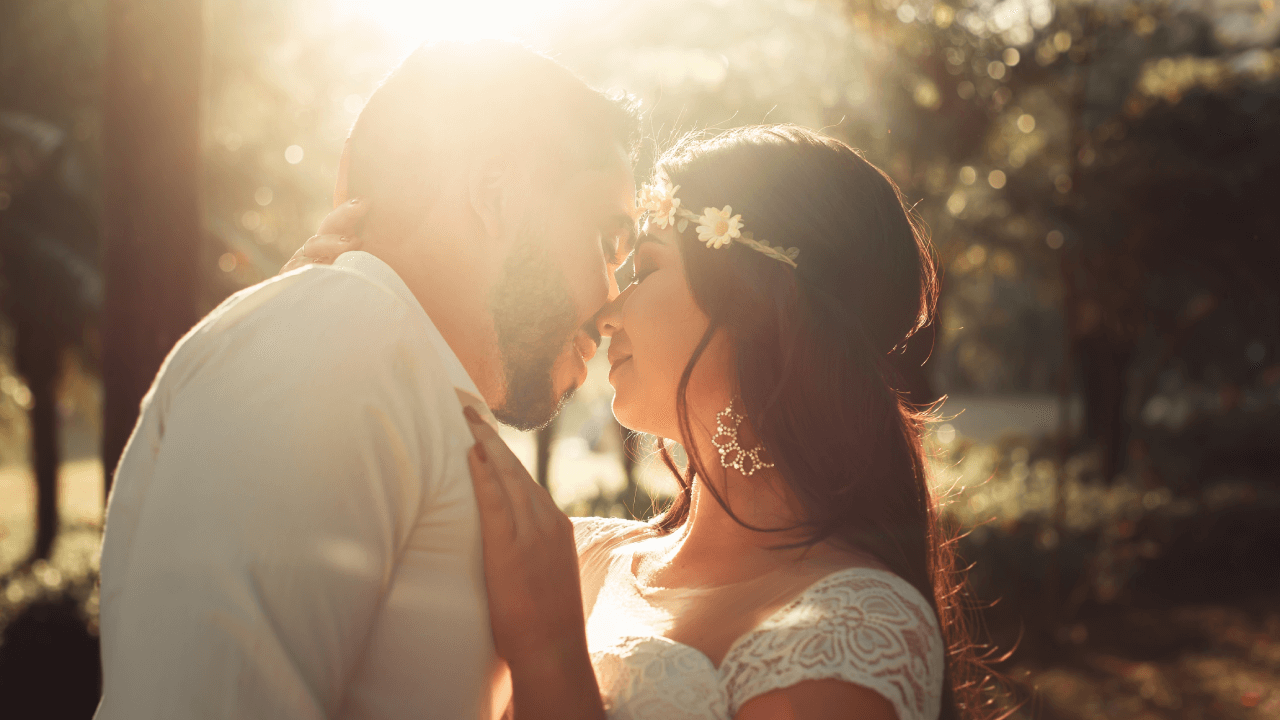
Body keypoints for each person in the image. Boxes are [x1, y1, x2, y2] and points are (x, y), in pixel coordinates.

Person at [305, 125, 1001, 719]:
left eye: (646, 268)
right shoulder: (571, 557)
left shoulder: (856, 624)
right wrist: (324, 317)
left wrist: (551, 654)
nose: (608, 310)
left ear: (756, 308)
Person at [95, 40, 639, 719]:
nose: (616, 300)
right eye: (608, 244)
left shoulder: (378, 362)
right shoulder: (331, 340)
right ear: (495, 192)